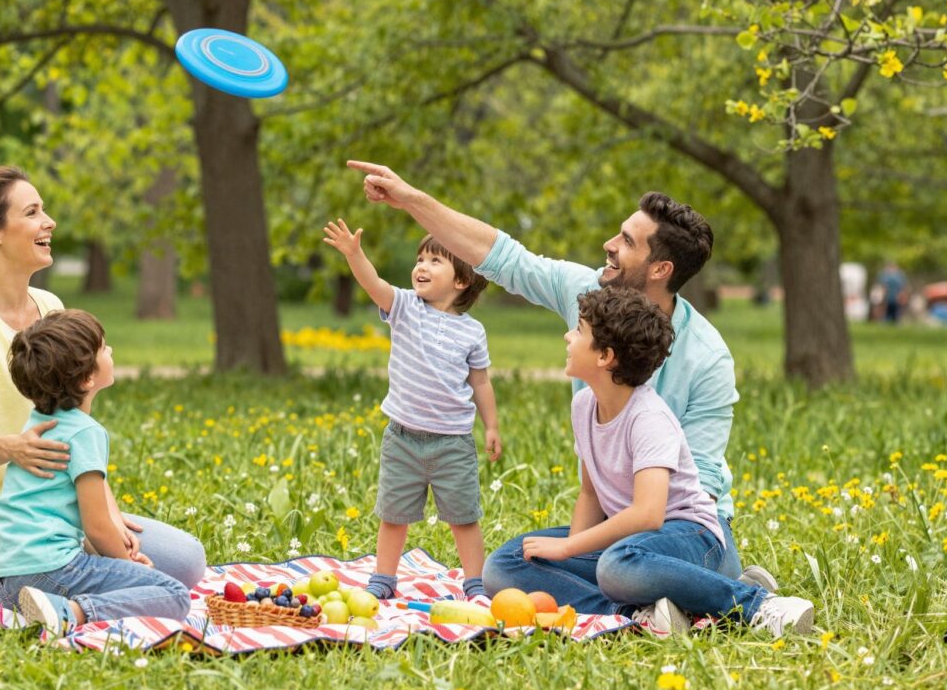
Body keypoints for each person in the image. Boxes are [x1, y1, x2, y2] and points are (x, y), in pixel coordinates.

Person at [345, 159, 776, 594]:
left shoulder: (708, 358)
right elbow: (503, 257)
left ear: (660, 268)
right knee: (505, 570)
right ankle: (642, 604)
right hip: (612, 524)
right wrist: (411, 199)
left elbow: (691, 489)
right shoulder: (586, 296)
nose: (609, 244)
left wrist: (589, 550)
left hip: (682, 527)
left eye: (626, 241)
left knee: (623, 564)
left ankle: (711, 583)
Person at [0, 166, 205, 601]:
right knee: (131, 576)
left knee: (186, 561)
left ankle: (17, 593)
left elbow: (73, 427)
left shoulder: (50, 305)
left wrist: (106, 517)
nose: (49, 222)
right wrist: (12, 447)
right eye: (32, 212)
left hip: (56, 514)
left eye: (44, 210)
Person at [510, 288, 813, 635]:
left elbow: (648, 514)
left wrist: (568, 547)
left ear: (605, 356)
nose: (567, 336)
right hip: (630, 545)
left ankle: (757, 603)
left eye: (578, 331)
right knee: (508, 563)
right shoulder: (584, 405)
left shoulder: (648, 417)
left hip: (692, 537)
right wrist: (573, 556)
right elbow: (591, 495)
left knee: (616, 566)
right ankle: (641, 611)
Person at [323, 219, 501, 600]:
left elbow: (481, 382)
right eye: (420, 259)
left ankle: (475, 582)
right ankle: (384, 578)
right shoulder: (404, 306)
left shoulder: (473, 332)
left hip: (453, 443)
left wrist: (491, 427)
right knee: (393, 516)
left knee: (464, 518)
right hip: (402, 438)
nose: (422, 266)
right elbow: (374, 284)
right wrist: (355, 255)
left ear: (461, 280)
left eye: (435, 260)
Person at [0, 310, 191, 632]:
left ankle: (43, 607)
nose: (110, 351)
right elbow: (97, 526)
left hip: (5, 575)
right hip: (53, 570)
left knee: (141, 581)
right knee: (173, 594)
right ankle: (72, 612)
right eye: (104, 349)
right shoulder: (85, 432)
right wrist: (127, 567)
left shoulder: (38, 422)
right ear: (86, 379)